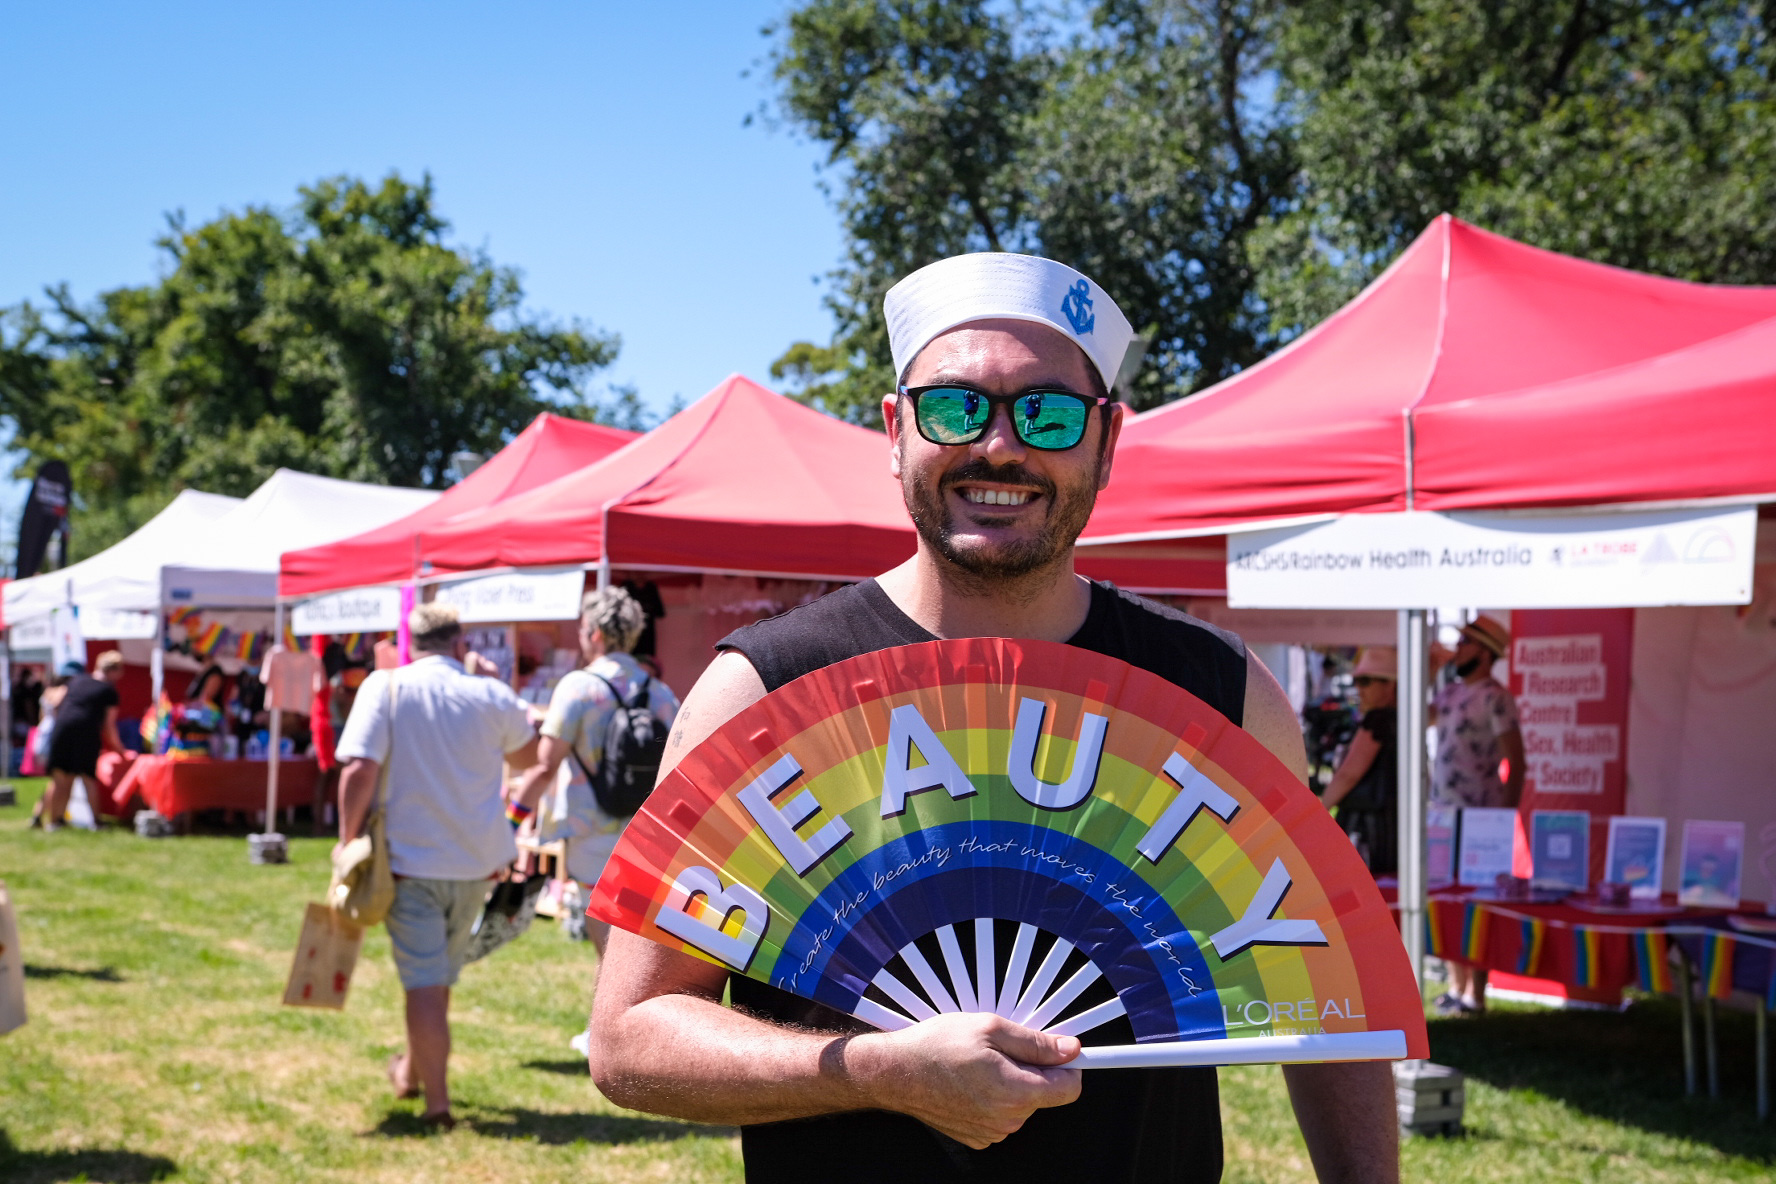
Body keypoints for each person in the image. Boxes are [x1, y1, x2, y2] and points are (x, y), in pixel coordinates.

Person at [586, 253, 1397, 1183]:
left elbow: (1330, 1002)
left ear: (1107, 441)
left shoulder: (1221, 693)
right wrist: (879, 1073)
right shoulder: (760, 691)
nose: (1001, 447)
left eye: (1048, 413)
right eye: (956, 408)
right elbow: (630, 1039)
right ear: (895, 430)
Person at [333, 603, 538, 1130]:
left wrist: (346, 841)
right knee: (437, 980)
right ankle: (409, 1074)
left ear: (410, 640)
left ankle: (438, 1106)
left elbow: (358, 768)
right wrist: (495, 686)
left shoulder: (387, 686)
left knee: (426, 985)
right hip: (475, 863)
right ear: (459, 641)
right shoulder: (488, 693)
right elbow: (526, 759)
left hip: (411, 863)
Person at [507, 587, 680, 1056]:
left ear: (596, 634)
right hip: (646, 826)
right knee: (633, 928)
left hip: (590, 826)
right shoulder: (659, 691)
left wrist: (513, 819)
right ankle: (629, 1026)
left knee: (605, 929)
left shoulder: (577, 688)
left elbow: (544, 764)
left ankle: (614, 1031)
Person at [1429, 614, 1524, 1016]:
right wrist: (1426, 670)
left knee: (1477, 901)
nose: (1458, 649)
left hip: (1480, 815)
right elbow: (1415, 717)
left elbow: (1516, 762)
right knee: (1448, 897)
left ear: (1485, 652)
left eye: (1466, 642)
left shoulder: (1496, 697)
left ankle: (1477, 994)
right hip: (1443, 816)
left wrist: (1502, 820)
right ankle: (1456, 985)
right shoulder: (1449, 693)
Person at [1319, 647, 1398, 876]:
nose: (1359, 689)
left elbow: (1348, 775)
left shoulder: (1379, 719)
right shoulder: (1402, 719)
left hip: (1368, 828)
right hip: (1391, 826)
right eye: (1357, 681)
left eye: (1365, 681)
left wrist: (1315, 814)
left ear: (1390, 685)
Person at [33, 653, 126, 830]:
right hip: (86, 734)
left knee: (60, 778)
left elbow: (53, 705)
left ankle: (54, 822)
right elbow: (109, 726)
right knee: (87, 778)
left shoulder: (76, 681)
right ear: (114, 671)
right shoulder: (108, 691)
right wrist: (120, 749)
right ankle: (96, 822)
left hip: (62, 730)